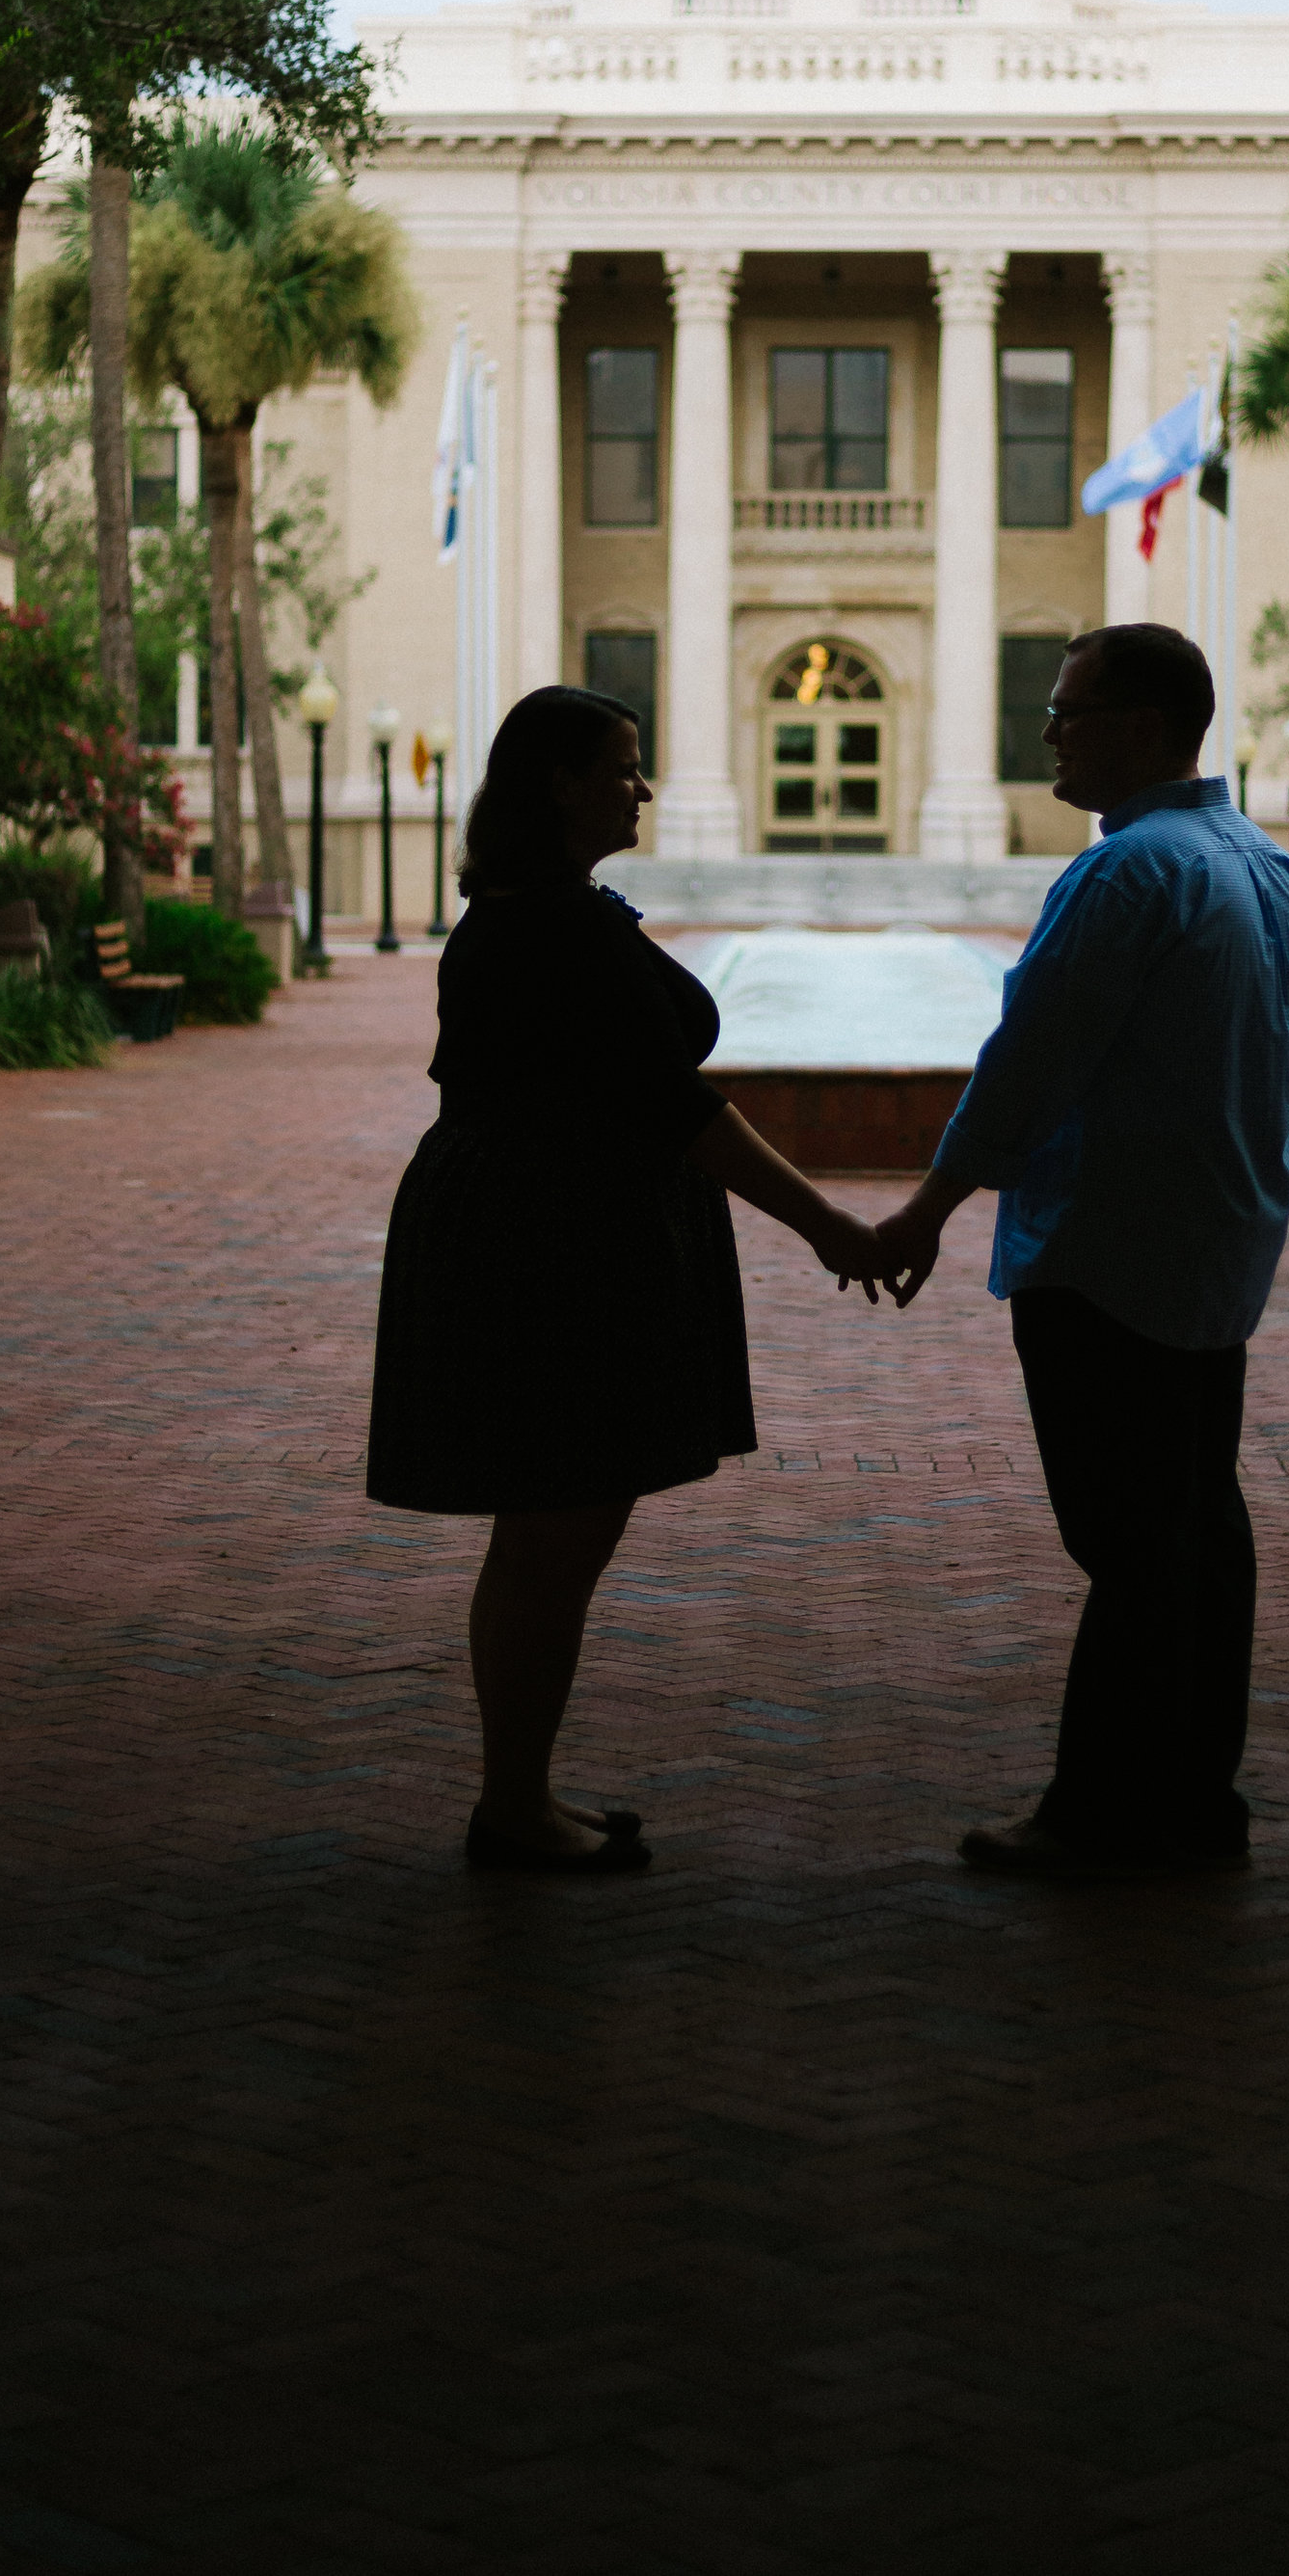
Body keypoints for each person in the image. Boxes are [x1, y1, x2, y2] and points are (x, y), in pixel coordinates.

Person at [368, 684, 885, 1874]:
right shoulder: (553, 925)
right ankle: (513, 1808)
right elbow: (675, 1108)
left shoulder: (544, 909)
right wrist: (827, 1226)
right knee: (556, 1526)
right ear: (560, 782)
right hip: (550, 1248)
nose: (642, 785)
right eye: (624, 763)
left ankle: (520, 1793)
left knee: (546, 1526)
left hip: (540, 1227)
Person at [875, 625, 1289, 1880]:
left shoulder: (1125, 875)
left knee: (1129, 1538)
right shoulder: (1272, 869)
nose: (1051, 733)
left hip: (1107, 1256)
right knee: (1198, 1523)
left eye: (1065, 712)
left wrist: (928, 1207)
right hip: (1219, 1248)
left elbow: (1030, 1062)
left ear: (1131, 724)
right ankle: (1197, 1797)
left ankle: (1095, 1812)